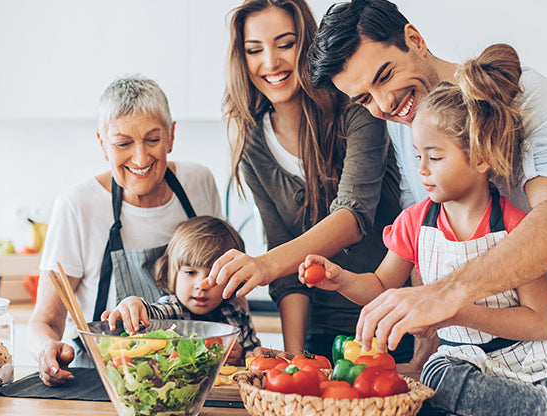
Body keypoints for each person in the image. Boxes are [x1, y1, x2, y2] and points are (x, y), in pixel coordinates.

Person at [301, 45, 547, 416]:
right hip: (469, 362)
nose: (422, 169)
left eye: (435, 157)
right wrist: (342, 279)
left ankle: (513, 402)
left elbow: (539, 323)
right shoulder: (414, 223)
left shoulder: (516, 228)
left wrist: (453, 309)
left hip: (537, 354)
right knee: (440, 377)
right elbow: (381, 287)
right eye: (417, 156)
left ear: (480, 157)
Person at [309, 0, 547, 356]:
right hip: (467, 358)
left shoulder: (524, 92)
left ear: (414, 39)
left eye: (384, 76)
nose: (384, 104)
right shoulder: (404, 123)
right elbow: (422, 251)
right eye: (364, 98)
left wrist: (447, 295)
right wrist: (423, 351)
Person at [205, 0, 415, 363]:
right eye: (254, 49)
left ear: (308, 45)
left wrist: (265, 264)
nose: (270, 63)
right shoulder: (253, 141)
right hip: (318, 336)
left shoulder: (358, 108)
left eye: (285, 44)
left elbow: (353, 218)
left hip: (390, 327)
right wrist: (294, 358)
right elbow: (285, 268)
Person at [30, 75, 224, 386]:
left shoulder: (199, 183)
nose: (140, 157)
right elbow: (45, 320)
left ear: (171, 135)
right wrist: (46, 350)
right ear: (102, 144)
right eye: (123, 143)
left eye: (152, 139)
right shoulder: (77, 206)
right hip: (104, 384)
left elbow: (226, 286)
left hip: (191, 380)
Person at [101, 216, 262, 365]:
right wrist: (134, 304)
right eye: (190, 273)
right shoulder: (172, 308)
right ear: (172, 274)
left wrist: (241, 357)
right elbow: (152, 313)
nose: (202, 285)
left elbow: (255, 358)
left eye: (214, 276)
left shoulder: (237, 315)